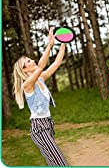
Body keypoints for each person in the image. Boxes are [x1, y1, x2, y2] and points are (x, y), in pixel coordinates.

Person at [12, 28, 68, 166]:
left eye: (31, 59)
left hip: (48, 123)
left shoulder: (41, 78)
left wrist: (63, 42)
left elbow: (56, 63)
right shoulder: (27, 85)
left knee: (55, 163)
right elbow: (42, 66)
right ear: (25, 70)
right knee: (60, 162)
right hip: (39, 128)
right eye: (29, 62)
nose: (33, 61)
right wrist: (49, 45)